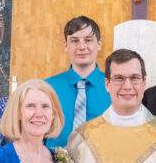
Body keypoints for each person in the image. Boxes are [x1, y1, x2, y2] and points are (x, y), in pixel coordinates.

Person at [44, 16, 111, 148]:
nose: (82, 46)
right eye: (74, 40)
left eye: (88, 40)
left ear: (99, 44)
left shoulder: (114, 86)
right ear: (66, 46)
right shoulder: (47, 87)